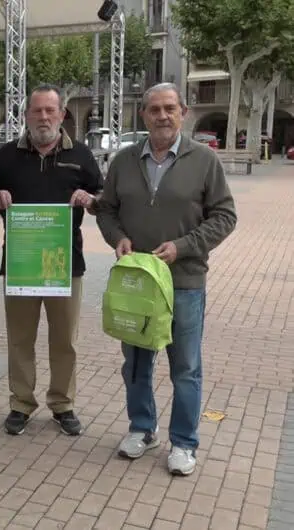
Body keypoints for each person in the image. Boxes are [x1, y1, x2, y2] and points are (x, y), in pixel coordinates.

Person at [96, 82, 236, 475]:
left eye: (169, 108)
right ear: (143, 115)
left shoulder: (205, 161)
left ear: (183, 112)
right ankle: (143, 429)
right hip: (137, 284)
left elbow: (225, 216)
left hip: (185, 283)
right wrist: (118, 238)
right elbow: (105, 210)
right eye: (154, 109)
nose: (162, 116)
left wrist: (185, 246)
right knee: (136, 364)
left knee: (185, 368)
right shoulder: (123, 161)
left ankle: (184, 443)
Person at [0, 84, 103, 437]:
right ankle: (20, 403)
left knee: (64, 339)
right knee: (20, 338)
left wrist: (91, 200)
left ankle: (62, 404)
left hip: (66, 265)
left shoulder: (81, 155)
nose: (43, 117)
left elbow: (104, 196)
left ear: (62, 115)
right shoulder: (6, 156)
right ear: (26, 116)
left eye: (50, 111)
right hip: (21, 263)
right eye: (36, 111)